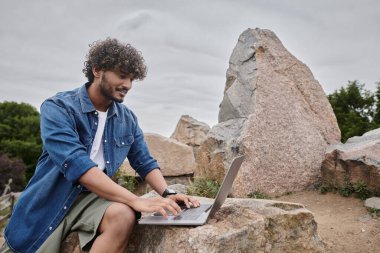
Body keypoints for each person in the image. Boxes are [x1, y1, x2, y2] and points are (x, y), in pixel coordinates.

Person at [1, 38, 199, 253]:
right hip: (47, 204)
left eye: (132, 79)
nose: (128, 85)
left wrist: (168, 193)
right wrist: (135, 200)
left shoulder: (127, 119)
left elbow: (144, 162)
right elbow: (77, 164)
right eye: (122, 75)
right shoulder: (58, 107)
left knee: (124, 215)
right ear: (97, 70)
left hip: (92, 201)